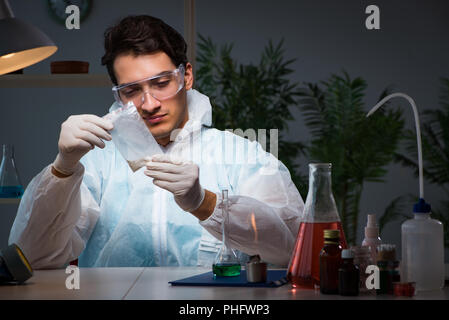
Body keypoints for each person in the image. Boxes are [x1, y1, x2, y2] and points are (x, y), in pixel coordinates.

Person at [9, 15, 304, 269]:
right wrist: (63, 169)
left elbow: (292, 249)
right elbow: (33, 257)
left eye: (161, 83)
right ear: (117, 94)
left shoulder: (241, 154)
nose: (149, 104)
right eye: (131, 90)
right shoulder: (97, 160)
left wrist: (206, 204)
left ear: (186, 76)